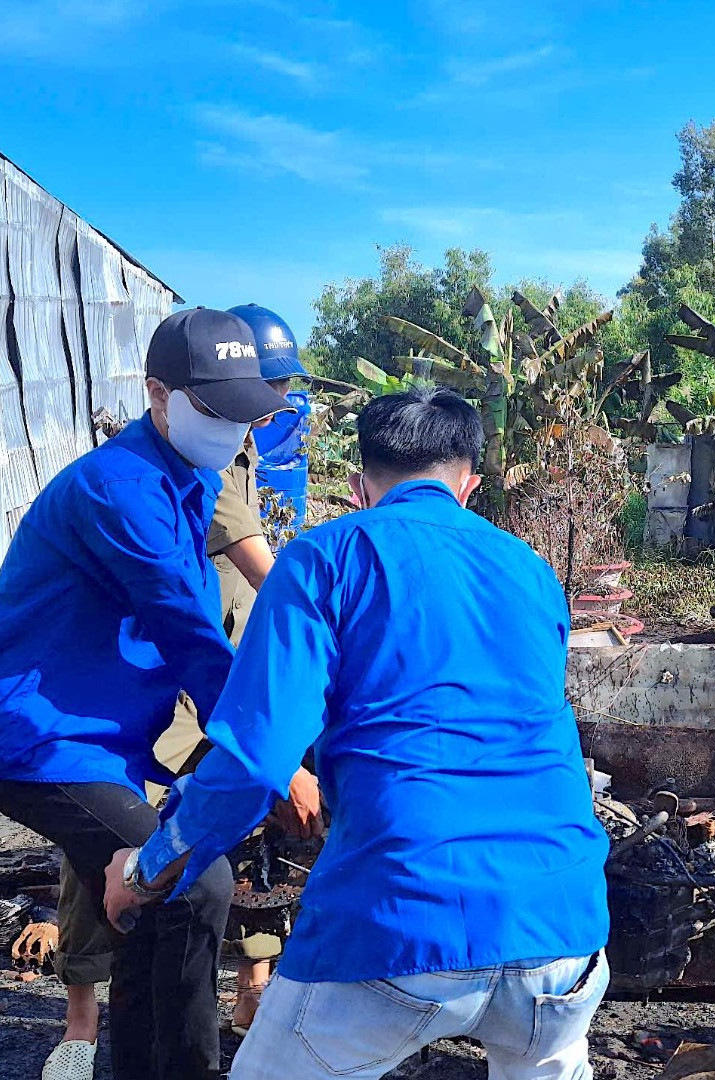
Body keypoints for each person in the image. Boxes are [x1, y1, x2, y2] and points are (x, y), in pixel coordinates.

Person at [102, 385, 611, 1080]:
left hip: (402, 917)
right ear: (471, 485)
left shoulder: (325, 559)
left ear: (358, 485)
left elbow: (254, 763)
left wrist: (148, 867)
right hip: (564, 931)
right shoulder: (532, 572)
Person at [0, 307, 309, 1080]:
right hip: (40, 740)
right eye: (213, 410)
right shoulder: (122, 489)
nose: (231, 430)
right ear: (158, 393)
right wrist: (280, 761)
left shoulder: (184, 477)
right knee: (191, 876)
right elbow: (192, 640)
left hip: (105, 742)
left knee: (154, 902)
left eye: (243, 413)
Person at [42, 395, 296, 1079]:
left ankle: (247, 986)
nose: (268, 415)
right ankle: (81, 1022)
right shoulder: (187, 467)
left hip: (232, 678)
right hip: (184, 698)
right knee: (117, 845)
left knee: (243, 845)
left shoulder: (250, 459)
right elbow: (264, 575)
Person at [229, 303, 311, 539]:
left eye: (284, 381)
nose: (276, 397)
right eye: (265, 382)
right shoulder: (211, 456)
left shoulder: (247, 440)